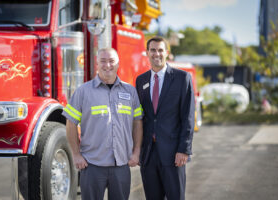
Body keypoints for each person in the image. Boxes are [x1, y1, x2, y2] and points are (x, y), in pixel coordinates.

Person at [62, 48, 143, 200]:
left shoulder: (130, 92)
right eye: (103, 61)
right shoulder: (83, 91)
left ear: (118, 64)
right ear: (97, 64)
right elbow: (70, 123)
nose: (107, 65)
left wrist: (136, 151)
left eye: (111, 61)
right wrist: (76, 154)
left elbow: (137, 122)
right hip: (92, 165)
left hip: (121, 165)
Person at [136, 36, 195, 200]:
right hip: (149, 154)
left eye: (160, 50)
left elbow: (188, 117)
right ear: (147, 53)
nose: (157, 54)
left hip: (173, 153)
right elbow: (141, 118)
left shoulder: (182, 79)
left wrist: (184, 149)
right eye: (153, 50)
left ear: (167, 53)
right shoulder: (141, 81)